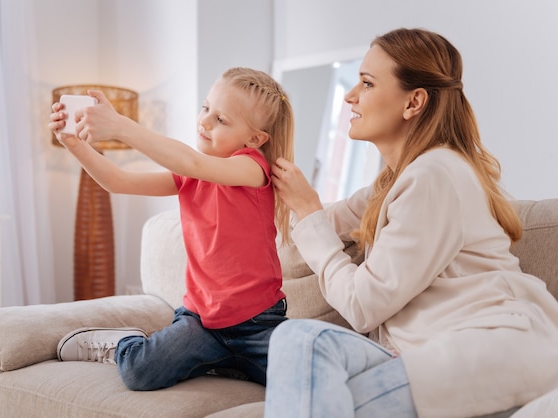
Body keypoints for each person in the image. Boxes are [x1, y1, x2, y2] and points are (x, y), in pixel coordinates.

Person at [265, 28, 558, 418]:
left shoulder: (434, 175)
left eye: (367, 83)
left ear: (414, 102)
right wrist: (256, 185)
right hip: (431, 350)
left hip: (490, 347)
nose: (350, 96)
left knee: (326, 392)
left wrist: (308, 212)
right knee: (300, 339)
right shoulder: (395, 181)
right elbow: (317, 227)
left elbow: (361, 305)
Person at [48, 67, 294, 390]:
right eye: (206, 108)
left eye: (221, 120)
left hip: (259, 326)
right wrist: (74, 145)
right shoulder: (188, 175)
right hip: (202, 323)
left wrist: (121, 126)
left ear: (255, 139)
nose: (204, 121)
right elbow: (117, 181)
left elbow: (191, 162)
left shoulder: (252, 167)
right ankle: (125, 344)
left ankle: (226, 362)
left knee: (303, 378)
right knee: (139, 373)